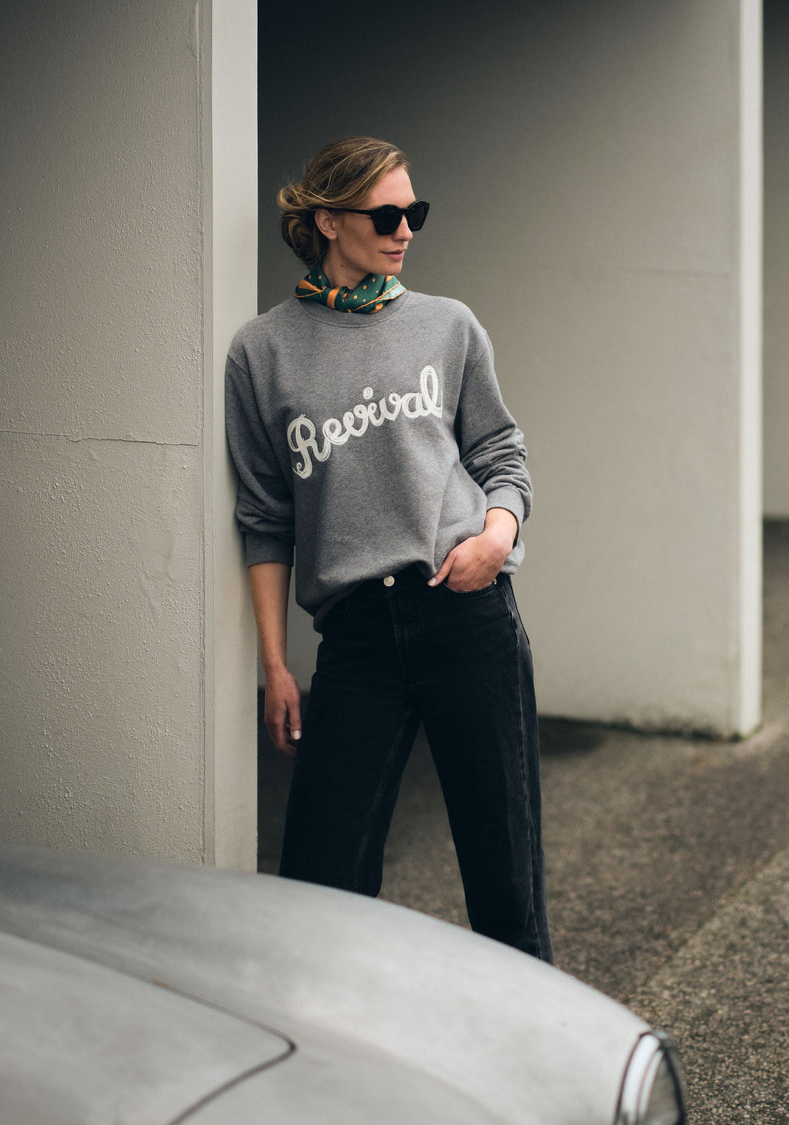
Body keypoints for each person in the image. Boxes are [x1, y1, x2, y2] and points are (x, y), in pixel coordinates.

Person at [224, 137, 550, 962]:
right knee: (320, 886)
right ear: (328, 219)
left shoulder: (448, 326)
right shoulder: (262, 353)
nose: (405, 229)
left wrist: (495, 537)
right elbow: (265, 518)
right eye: (387, 214)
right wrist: (274, 665)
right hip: (359, 640)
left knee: (505, 888)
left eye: (416, 212)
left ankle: (533, 1074)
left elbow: (503, 456)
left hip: (466, 612)